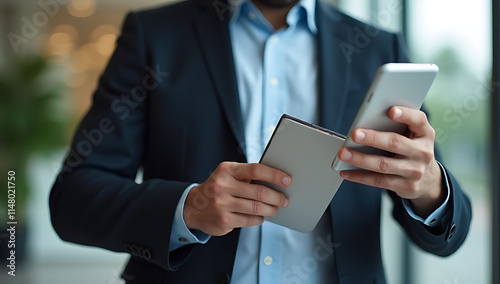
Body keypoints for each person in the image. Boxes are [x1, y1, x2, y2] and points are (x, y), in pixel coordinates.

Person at [49, 0, 472, 282]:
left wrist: (430, 187)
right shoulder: (154, 36)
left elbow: (450, 230)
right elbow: (72, 199)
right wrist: (188, 208)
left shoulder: (377, 48)